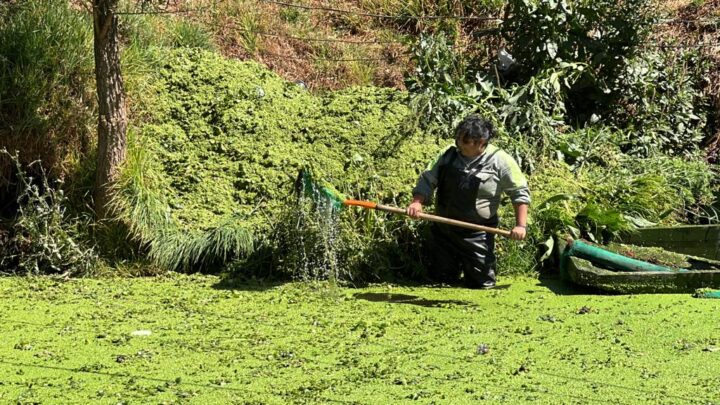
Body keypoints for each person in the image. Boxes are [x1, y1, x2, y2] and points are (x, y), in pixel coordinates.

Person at [406, 115, 530, 289]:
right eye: (458, 139)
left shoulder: (501, 161)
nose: (459, 145)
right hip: (443, 230)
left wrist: (520, 226)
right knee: (441, 281)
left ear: (481, 142)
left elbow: (519, 193)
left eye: (465, 142)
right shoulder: (448, 154)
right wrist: (417, 202)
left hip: (477, 233)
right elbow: (428, 179)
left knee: (481, 284)